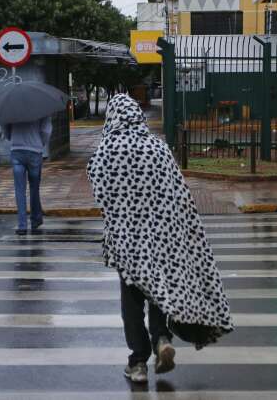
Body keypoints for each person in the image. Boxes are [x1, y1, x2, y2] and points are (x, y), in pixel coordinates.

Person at [87, 94, 233, 383]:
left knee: (131, 304)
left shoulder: (106, 150)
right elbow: (179, 193)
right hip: (161, 240)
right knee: (157, 295)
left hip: (126, 242)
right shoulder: (158, 148)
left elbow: (99, 192)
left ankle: (138, 362)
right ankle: (161, 339)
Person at [3, 117, 53, 234]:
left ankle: (22, 226)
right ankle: (35, 220)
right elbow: (46, 130)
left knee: (19, 190)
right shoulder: (42, 106)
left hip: (17, 150)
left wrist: (12, 137)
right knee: (34, 188)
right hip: (35, 151)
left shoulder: (11, 106)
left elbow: (6, 128)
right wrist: (40, 143)